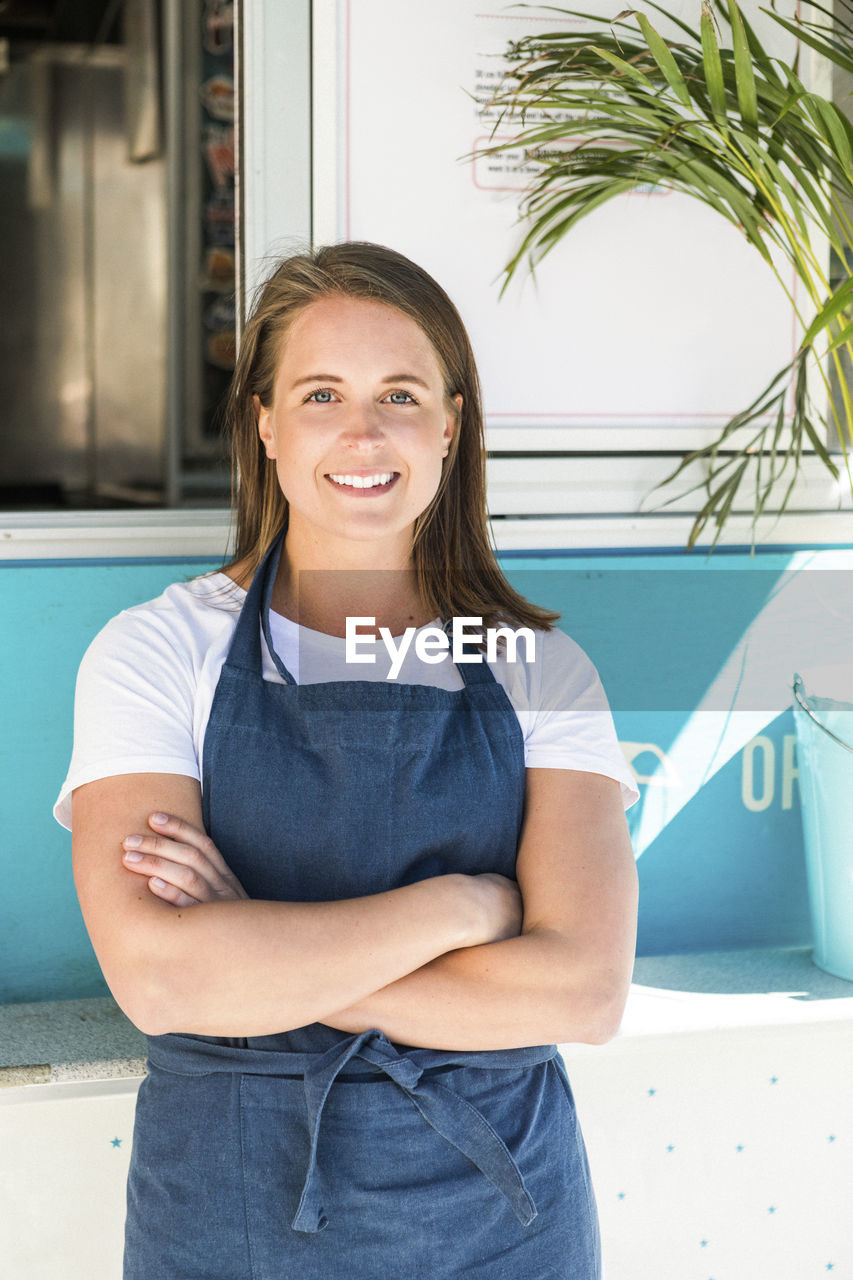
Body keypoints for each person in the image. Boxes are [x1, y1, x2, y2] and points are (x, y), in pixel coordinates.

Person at [56, 241, 639, 1279]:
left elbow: (582, 991)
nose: (363, 431)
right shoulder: (157, 651)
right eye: (322, 393)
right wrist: (463, 905)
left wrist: (262, 955)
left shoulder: (541, 670)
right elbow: (160, 978)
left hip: (499, 1218)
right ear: (267, 424)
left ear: (450, 425)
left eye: (400, 394)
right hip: (229, 1211)